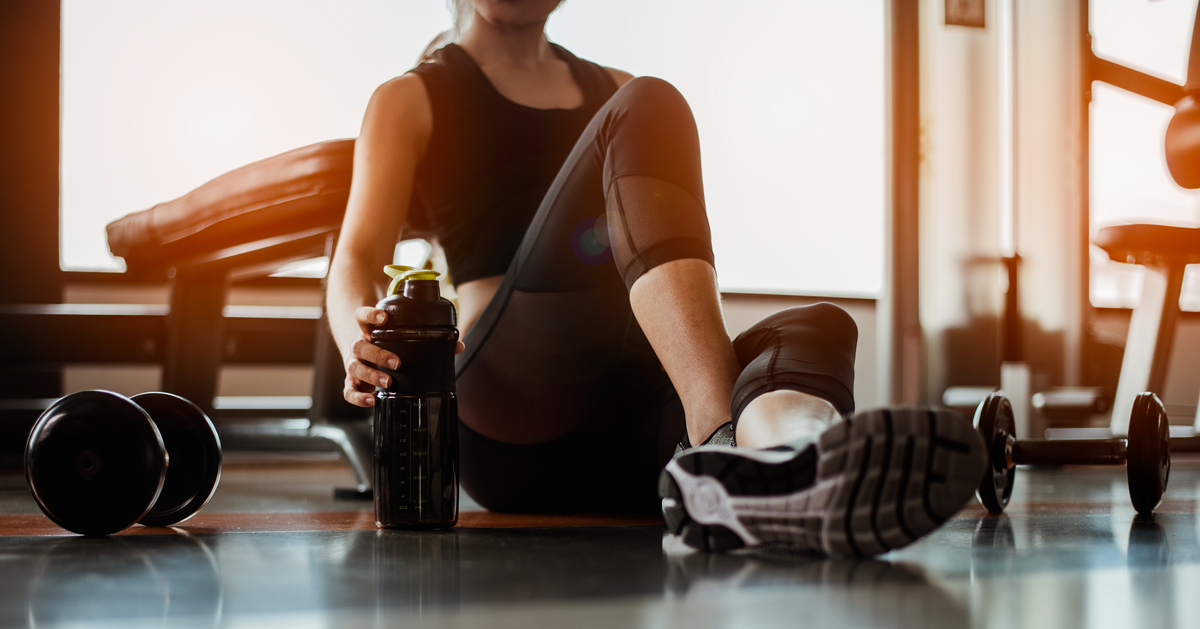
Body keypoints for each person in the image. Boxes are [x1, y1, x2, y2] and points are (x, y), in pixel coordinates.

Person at [327, 0, 985, 557]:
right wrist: (359, 339)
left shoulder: (610, 86)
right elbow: (356, 256)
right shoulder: (412, 96)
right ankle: (721, 439)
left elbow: (664, 256)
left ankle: (792, 461)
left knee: (818, 325)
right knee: (651, 100)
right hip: (515, 409)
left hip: (636, 428)